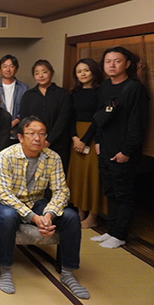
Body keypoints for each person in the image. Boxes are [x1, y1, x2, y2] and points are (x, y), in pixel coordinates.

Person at [0, 116, 89, 299]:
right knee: (8, 217)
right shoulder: (6, 155)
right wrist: (34, 218)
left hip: (36, 201)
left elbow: (61, 191)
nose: (37, 138)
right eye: (32, 133)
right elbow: (5, 194)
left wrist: (49, 214)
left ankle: (67, 272)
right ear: (20, 137)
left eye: (42, 134)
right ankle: (6, 270)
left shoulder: (52, 157)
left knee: (71, 217)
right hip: (5, 201)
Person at [91, 47, 148, 249]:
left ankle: (120, 234)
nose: (112, 65)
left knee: (123, 193)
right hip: (105, 148)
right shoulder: (106, 86)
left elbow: (137, 123)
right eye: (108, 61)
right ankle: (112, 229)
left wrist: (127, 151)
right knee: (111, 191)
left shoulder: (134, 88)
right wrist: (98, 141)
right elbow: (100, 116)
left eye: (117, 61)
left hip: (123, 151)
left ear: (127, 64)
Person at [67, 58, 105, 229]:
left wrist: (84, 140)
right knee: (78, 176)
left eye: (86, 70)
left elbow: (99, 118)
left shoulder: (101, 92)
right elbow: (70, 117)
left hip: (93, 137)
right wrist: (75, 138)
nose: (83, 74)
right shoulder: (74, 93)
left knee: (92, 176)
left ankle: (92, 216)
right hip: (76, 137)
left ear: (93, 72)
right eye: (79, 71)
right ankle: (80, 212)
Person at [20, 59, 72, 171]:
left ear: (51, 73)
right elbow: (24, 120)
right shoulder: (28, 95)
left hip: (58, 143)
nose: (41, 76)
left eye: (44, 72)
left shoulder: (62, 94)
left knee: (57, 174)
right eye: (37, 73)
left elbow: (63, 119)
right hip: (34, 143)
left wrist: (49, 140)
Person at [0, 54, 29, 143]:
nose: (8, 69)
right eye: (5, 66)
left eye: (11, 66)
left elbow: (26, 110)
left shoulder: (24, 88)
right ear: (0, 69)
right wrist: (5, 126)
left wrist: (13, 123)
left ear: (16, 69)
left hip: (18, 132)